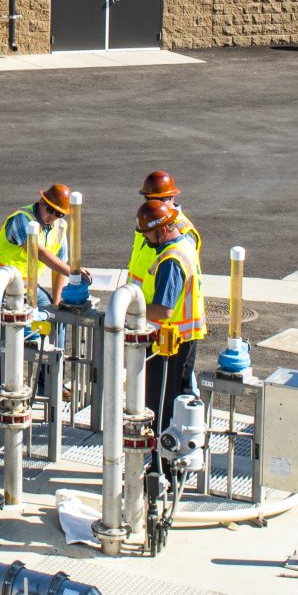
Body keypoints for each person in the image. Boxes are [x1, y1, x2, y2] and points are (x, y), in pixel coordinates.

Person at [134, 200, 205, 426]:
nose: (145, 238)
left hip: (169, 345)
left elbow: (164, 309)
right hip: (182, 340)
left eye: (148, 234)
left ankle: (159, 459)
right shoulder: (184, 246)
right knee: (178, 402)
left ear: (163, 230)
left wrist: (131, 311)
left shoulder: (171, 260)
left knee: (161, 407)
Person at [0, 182, 80, 317]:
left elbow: (60, 266)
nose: (52, 216)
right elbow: (38, 253)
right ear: (42, 202)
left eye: (58, 214)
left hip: (25, 287)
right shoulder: (22, 219)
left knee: (55, 318)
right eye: (50, 210)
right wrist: (74, 273)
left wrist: (56, 305)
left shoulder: (60, 227)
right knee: (10, 328)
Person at [128, 170, 203, 296]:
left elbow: (177, 276)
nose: (154, 204)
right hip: (138, 302)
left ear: (172, 198)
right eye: (149, 199)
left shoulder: (184, 230)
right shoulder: (148, 220)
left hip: (160, 309)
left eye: (159, 199)